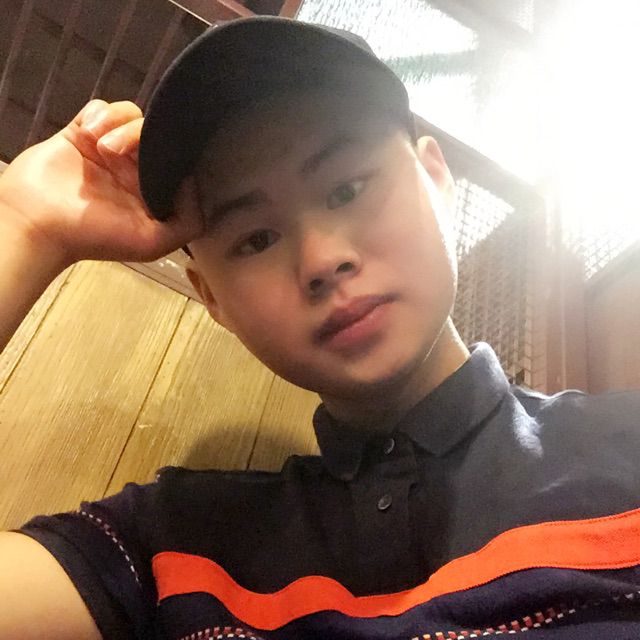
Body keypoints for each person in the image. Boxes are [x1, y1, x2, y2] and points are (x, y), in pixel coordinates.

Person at [0, 15, 639, 640]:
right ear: (212, 298)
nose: (321, 260)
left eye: (347, 190)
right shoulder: (173, 548)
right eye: (256, 238)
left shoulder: (624, 448)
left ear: (436, 177)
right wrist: (26, 224)